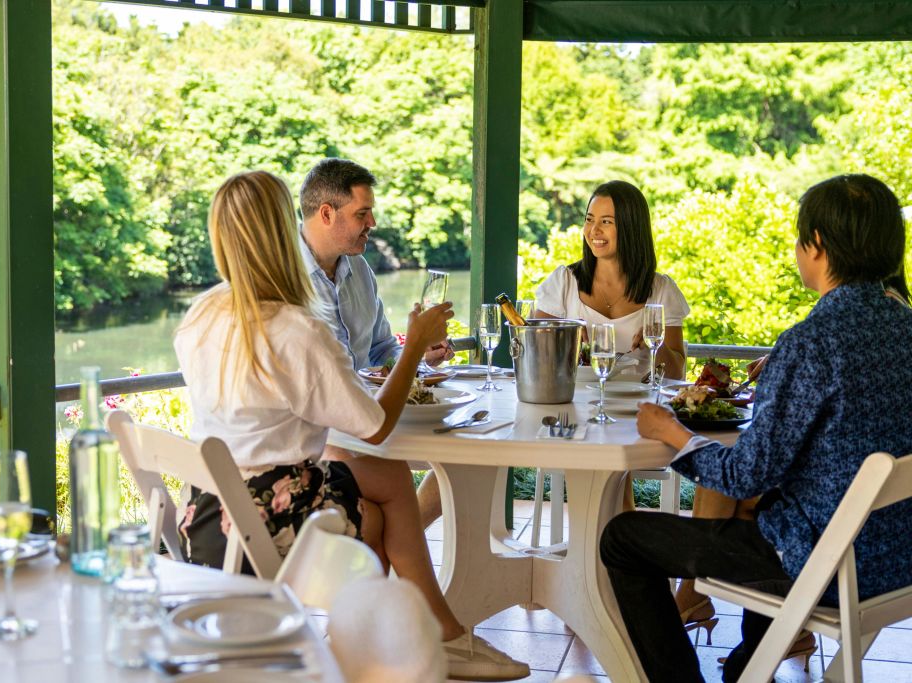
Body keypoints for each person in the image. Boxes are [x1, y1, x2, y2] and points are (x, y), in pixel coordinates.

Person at [174, 170, 529, 681]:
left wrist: (405, 352)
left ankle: (415, 638)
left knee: (384, 484)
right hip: (265, 522)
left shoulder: (200, 315)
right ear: (282, 230)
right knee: (379, 510)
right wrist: (414, 343)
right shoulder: (295, 329)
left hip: (204, 514)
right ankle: (408, 643)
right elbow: (376, 426)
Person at [600, 173, 912, 683]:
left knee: (623, 539)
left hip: (827, 566)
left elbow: (744, 474)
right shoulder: (904, 326)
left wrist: (673, 432)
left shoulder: (813, 342)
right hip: (897, 559)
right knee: (758, 510)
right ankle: (749, 666)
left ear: (816, 246)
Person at [298, 158, 450, 529]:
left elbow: (384, 347)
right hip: (321, 432)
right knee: (389, 489)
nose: (373, 224)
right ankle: (400, 564)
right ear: (327, 213)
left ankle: (402, 560)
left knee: (458, 461)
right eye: (363, 213)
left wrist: (417, 354)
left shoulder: (360, 269)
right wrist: (411, 350)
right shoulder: (287, 278)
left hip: (371, 417)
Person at [534, 180, 689, 381]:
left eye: (606, 221)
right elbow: (534, 358)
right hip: (575, 407)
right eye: (589, 220)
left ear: (631, 227)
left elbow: (676, 375)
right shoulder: (564, 282)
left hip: (640, 409)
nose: (594, 230)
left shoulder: (662, 290)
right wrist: (565, 339)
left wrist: (655, 344)